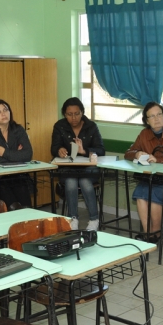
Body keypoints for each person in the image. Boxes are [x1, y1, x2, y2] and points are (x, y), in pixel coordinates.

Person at [124, 102, 163, 242]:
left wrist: (159, 160)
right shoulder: (144, 134)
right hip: (151, 178)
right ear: (147, 121)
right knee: (140, 195)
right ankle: (148, 234)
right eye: (152, 116)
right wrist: (136, 154)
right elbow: (129, 152)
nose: (157, 118)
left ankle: (156, 233)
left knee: (154, 196)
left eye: (159, 114)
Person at [51, 97, 105, 231]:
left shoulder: (91, 126)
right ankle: (73, 218)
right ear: (64, 114)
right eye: (69, 114)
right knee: (70, 181)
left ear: (82, 113)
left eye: (77, 114)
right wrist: (59, 150)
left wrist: (85, 151)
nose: (73, 117)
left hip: (88, 169)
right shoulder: (59, 126)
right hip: (68, 169)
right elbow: (53, 148)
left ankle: (94, 219)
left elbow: (101, 150)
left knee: (85, 182)